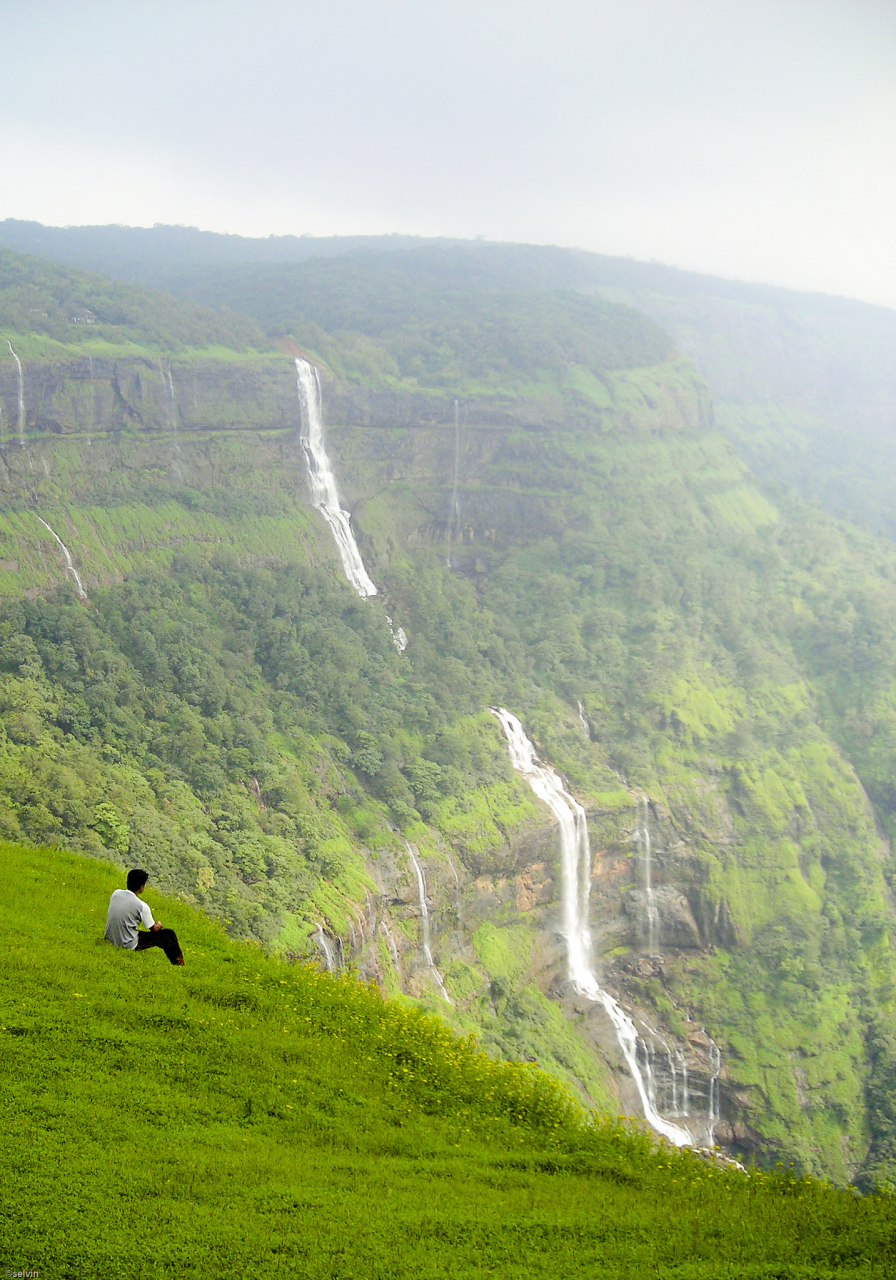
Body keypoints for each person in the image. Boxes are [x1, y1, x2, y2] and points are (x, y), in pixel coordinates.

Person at [105, 869, 185, 966]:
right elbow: (154, 929)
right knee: (169, 935)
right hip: (127, 944)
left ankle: (178, 963)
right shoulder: (141, 906)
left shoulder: (116, 893)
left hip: (110, 939)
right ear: (142, 886)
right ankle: (178, 963)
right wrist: (159, 924)